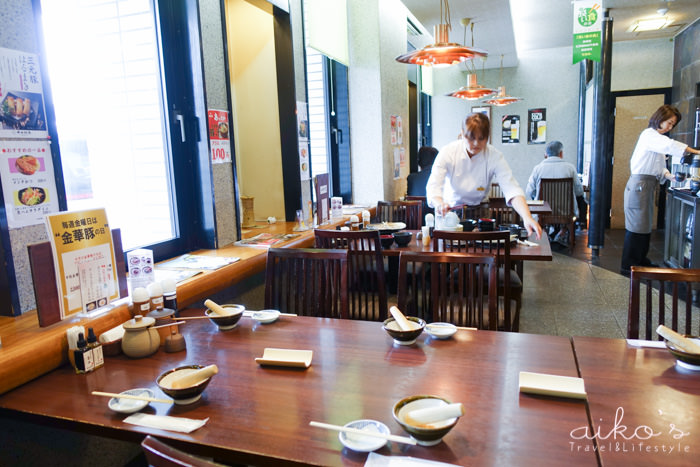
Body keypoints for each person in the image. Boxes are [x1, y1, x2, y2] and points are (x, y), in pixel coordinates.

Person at [426, 112, 542, 239]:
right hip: (451, 212)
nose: (476, 143)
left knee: (483, 253)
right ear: (462, 134)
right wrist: (439, 203)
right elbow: (434, 185)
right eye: (471, 138)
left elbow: (511, 188)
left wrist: (527, 217)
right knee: (451, 253)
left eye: (481, 138)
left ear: (487, 137)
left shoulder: (494, 155)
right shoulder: (448, 152)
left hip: (480, 211)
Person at [620, 104, 700, 276]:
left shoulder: (655, 139)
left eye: (672, 125)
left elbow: (659, 166)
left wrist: (670, 176)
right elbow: (670, 146)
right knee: (636, 226)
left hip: (646, 185)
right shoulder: (649, 135)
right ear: (660, 118)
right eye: (669, 123)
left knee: (645, 225)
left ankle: (641, 260)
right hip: (640, 185)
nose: (669, 127)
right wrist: (695, 151)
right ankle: (629, 265)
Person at [525, 140, 585, 245]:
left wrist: (537, 197)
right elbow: (579, 191)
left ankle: (545, 233)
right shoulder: (570, 168)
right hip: (566, 212)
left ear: (545, 154)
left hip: (543, 214)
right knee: (579, 204)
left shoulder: (538, 168)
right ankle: (562, 232)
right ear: (561, 153)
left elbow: (529, 191)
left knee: (539, 207)